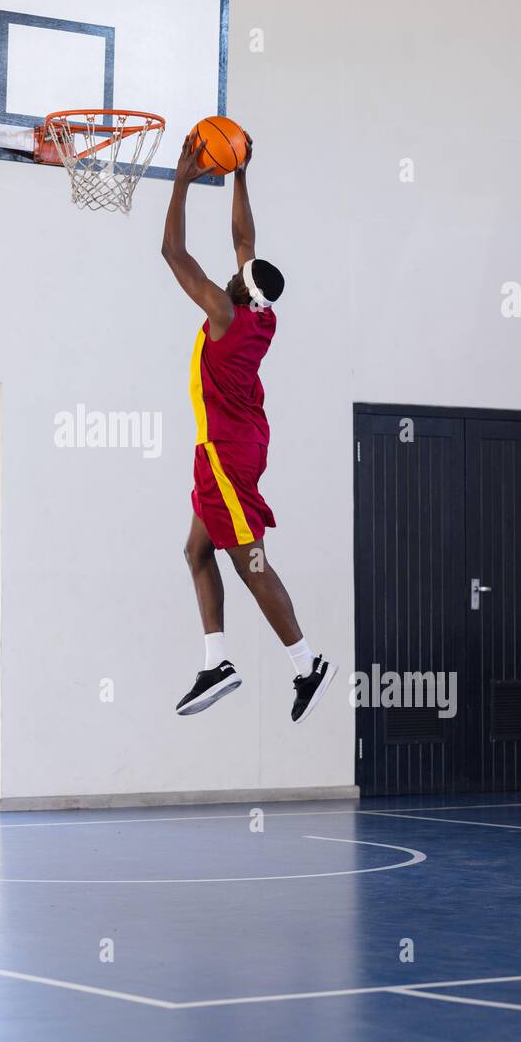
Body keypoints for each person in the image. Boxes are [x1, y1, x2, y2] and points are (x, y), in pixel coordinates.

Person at [161, 131, 337, 723]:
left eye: (237, 273)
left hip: (226, 454)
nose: (235, 267)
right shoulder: (261, 313)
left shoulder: (225, 314)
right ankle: (216, 661)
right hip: (240, 443)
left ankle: (306, 662)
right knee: (196, 549)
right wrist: (238, 172)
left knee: (248, 560)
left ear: (239, 288)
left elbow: (174, 256)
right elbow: (245, 239)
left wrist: (183, 182)